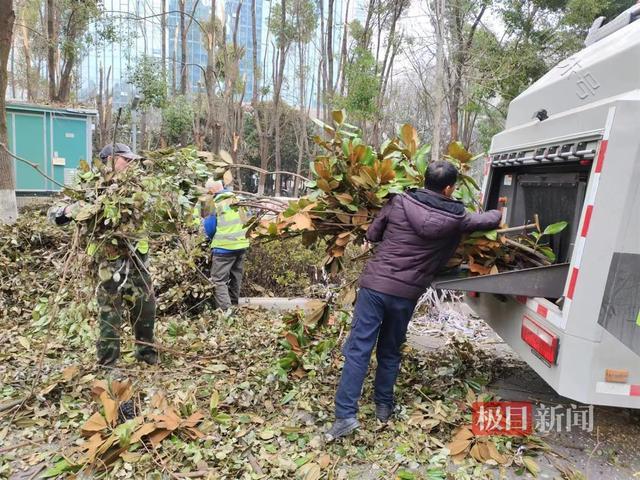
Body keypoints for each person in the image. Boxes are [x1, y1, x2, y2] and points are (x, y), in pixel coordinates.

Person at [326, 160, 502, 440]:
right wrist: (499, 211)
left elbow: (372, 235)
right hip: (406, 293)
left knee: (358, 349)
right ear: (449, 188)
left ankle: (345, 416)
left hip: (374, 286)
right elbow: (490, 220)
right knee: (390, 349)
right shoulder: (458, 218)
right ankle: (383, 407)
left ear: (424, 180)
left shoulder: (398, 202)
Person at [48, 143, 158, 367]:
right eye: (125, 160)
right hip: (109, 265)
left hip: (138, 262)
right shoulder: (91, 188)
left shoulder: (138, 189)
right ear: (108, 161)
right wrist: (72, 210)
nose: (130, 164)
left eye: (131, 160)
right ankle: (108, 364)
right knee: (110, 314)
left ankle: (146, 354)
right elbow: (54, 213)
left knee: (146, 308)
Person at [202, 179, 250, 312]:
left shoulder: (215, 203)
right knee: (236, 277)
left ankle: (226, 312)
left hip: (224, 248)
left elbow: (210, 228)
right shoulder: (239, 199)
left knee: (218, 281)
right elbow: (249, 220)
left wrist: (212, 240)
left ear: (212, 190)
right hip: (241, 245)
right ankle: (234, 306)